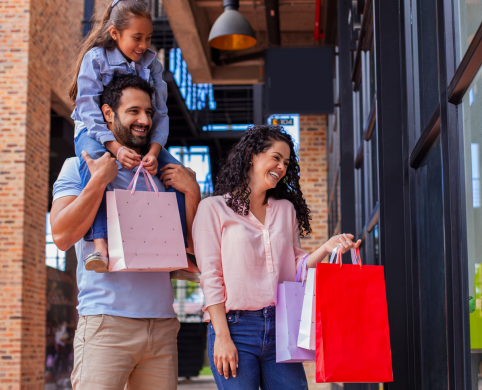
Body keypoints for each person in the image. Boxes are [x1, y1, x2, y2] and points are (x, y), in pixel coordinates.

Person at [50, 75, 201, 390]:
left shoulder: (161, 171)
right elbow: (62, 237)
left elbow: (194, 252)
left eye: (148, 112)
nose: (144, 120)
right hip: (105, 325)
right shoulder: (79, 165)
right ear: (108, 113)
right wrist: (98, 181)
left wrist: (193, 194)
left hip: (161, 327)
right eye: (134, 111)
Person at [192, 125, 361, 390]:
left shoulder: (285, 210)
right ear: (251, 155)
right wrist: (222, 336)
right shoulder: (212, 209)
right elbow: (211, 276)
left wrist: (327, 248)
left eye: (286, 162)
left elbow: (296, 267)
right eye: (276, 157)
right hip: (235, 327)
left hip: (281, 326)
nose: (281, 167)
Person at [68, 0, 185, 271]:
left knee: (179, 174)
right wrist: (114, 148)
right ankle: (100, 245)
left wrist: (154, 152)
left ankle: (181, 248)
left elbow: (160, 113)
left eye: (148, 38)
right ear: (115, 34)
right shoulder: (95, 58)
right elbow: (88, 107)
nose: (143, 45)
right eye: (137, 38)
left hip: (137, 137)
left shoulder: (151, 63)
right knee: (95, 168)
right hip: (93, 131)